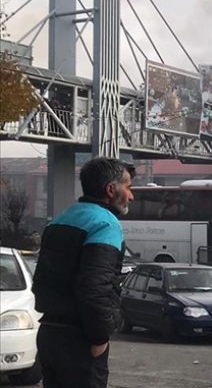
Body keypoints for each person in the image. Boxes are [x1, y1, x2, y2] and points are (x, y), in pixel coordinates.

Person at [32, 158, 136, 388]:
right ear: (111, 189)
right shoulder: (105, 225)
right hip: (80, 339)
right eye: (128, 188)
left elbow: (41, 279)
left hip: (49, 333)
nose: (131, 196)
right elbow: (95, 288)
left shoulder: (60, 219)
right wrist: (99, 338)